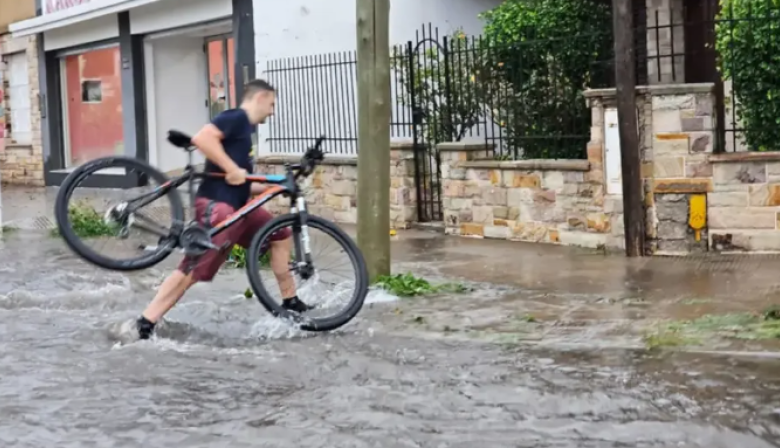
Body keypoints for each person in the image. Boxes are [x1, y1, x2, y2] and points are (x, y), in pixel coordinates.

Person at [121, 79, 312, 342]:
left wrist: (278, 185)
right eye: (271, 104)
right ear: (260, 97)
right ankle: (146, 322)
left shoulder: (245, 134)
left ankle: (290, 301)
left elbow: (242, 182)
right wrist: (233, 169)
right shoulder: (236, 118)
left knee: (280, 235)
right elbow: (203, 138)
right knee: (193, 269)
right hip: (218, 206)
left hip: (239, 207)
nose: (272, 111)